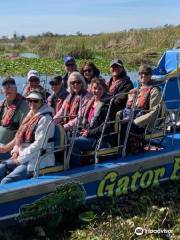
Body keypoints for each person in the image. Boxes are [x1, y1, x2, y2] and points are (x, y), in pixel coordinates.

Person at [0, 91, 55, 184]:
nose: (32, 103)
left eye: (35, 101)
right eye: (29, 101)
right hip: (23, 155)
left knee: (6, 181)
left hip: (37, 158)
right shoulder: (30, 115)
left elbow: (39, 145)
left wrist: (20, 158)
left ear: (42, 102)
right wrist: (16, 151)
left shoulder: (45, 119)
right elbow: (20, 137)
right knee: (1, 167)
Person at [69, 77, 114, 169]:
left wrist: (89, 132)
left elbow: (106, 126)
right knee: (66, 138)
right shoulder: (91, 102)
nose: (96, 91)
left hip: (100, 140)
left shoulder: (107, 105)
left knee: (72, 142)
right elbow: (86, 121)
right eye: (94, 88)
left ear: (104, 89)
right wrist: (83, 130)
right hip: (88, 135)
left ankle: (76, 169)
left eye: (99, 89)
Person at [119, 64, 162, 152]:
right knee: (114, 123)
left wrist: (136, 122)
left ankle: (129, 149)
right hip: (130, 117)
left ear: (150, 75)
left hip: (143, 123)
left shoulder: (154, 91)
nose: (142, 75)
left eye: (145, 74)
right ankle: (118, 148)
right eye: (140, 73)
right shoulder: (134, 90)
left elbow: (153, 111)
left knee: (127, 125)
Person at [0, 77, 29, 159]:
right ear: (2, 90)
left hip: (9, 148)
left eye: (11, 87)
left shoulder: (24, 106)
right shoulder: (2, 104)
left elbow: (21, 133)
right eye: (5, 87)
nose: (8, 89)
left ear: (16, 89)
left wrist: (5, 148)